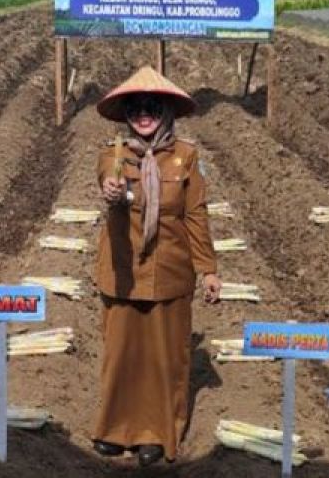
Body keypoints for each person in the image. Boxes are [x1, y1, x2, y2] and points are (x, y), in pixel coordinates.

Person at [91, 66, 221, 467]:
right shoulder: (113, 155)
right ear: (126, 113)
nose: (143, 114)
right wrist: (111, 191)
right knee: (122, 352)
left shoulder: (186, 157)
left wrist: (209, 268)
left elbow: (195, 214)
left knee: (165, 357)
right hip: (123, 271)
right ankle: (115, 429)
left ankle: (157, 434)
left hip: (170, 271)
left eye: (152, 107)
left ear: (166, 112)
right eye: (135, 107)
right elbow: (106, 184)